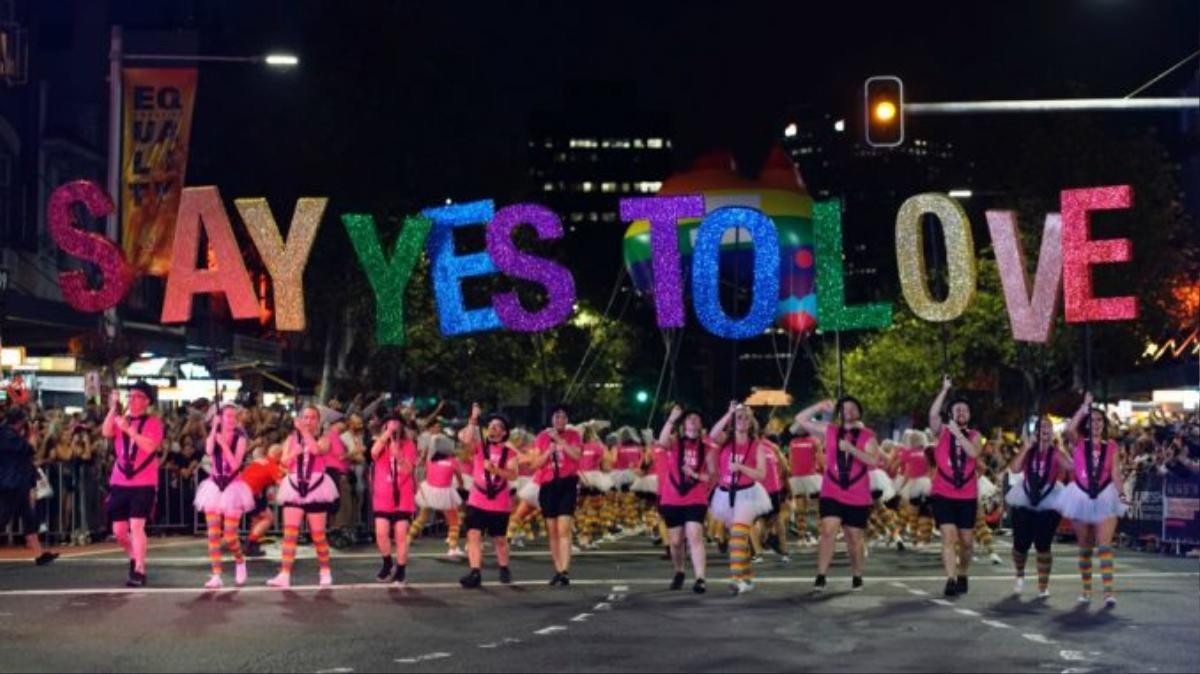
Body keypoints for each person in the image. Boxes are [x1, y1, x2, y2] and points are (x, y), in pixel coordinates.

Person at [794, 396, 882, 591]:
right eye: (844, 408)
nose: (848, 411)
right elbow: (800, 419)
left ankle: (857, 574)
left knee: (854, 537)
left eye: (852, 408)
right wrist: (819, 405)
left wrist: (851, 448)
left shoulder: (867, 435)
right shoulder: (830, 430)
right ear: (839, 413)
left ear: (859, 412)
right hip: (832, 489)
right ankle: (821, 575)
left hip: (857, 492)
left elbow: (873, 461)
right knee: (827, 531)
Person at [1057, 393, 1128, 608]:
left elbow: (1115, 471)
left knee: (1104, 546)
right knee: (1085, 547)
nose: (1096, 424)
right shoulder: (1079, 442)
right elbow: (1069, 429)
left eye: (1099, 420)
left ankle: (1108, 592)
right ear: (1086, 424)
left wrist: (1122, 494)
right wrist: (1084, 407)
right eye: (1092, 420)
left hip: (1105, 495)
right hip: (1080, 495)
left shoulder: (1112, 446)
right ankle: (1086, 589)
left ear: (1104, 424)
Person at [268, 405, 339, 588]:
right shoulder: (291, 439)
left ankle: (324, 571)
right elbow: (283, 461)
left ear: (318, 420)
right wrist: (293, 452)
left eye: (312, 417)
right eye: (305, 417)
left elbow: (316, 450)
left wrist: (304, 434)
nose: (308, 421)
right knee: (290, 534)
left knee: (318, 535)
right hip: (294, 485)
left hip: (316, 487)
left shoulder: (324, 438)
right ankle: (284, 574)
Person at [101, 381, 163, 587]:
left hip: (144, 481)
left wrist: (129, 430)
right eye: (130, 396)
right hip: (120, 480)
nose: (132, 399)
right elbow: (106, 432)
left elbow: (149, 446)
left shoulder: (153, 422)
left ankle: (140, 570)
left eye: (137, 396)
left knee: (137, 525)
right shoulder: (121, 420)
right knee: (119, 531)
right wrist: (113, 407)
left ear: (147, 401)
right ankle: (134, 556)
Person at [707, 402, 772, 595]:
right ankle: (747, 577)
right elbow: (711, 434)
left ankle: (736, 580)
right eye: (739, 417)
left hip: (748, 493)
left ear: (752, 422)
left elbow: (761, 474)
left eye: (746, 417)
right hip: (725, 493)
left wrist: (741, 468)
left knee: (737, 536)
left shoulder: (757, 445)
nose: (743, 420)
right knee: (739, 540)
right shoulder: (725, 440)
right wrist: (728, 413)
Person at [928, 377, 984, 598]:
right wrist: (944, 390)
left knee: (967, 543)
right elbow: (933, 414)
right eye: (957, 409)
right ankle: (950, 579)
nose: (961, 412)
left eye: (965, 410)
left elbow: (973, 453)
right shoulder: (941, 431)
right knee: (948, 537)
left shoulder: (974, 435)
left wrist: (958, 433)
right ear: (950, 414)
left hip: (967, 494)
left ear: (969, 416)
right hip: (943, 491)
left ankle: (962, 572)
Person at [458, 404, 519, 589]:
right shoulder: (479, 446)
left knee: (499, 539)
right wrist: (473, 419)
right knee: (473, 534)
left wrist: (496, 470)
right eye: (491, 425)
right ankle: (475, 572)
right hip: (477, 498)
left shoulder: (510, 452)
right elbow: (466, 440)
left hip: (499, 501)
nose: (493, 428)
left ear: (504, 432)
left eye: (497, 426)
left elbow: (513, 475)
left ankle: (504, 567)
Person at [1005, 415, 1066, 598]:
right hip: (1025, 495)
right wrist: (1026, 447)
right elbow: (1014, 468)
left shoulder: (1056, 452)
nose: (1044, 430)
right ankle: (1019, 575)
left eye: (1048, 427)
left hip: (1049, 497)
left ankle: (1043, 585)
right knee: (1020, 544)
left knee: (1043, 544)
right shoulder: (1029, 450)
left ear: (1052, 431)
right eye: (1040, 427)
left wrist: (1065, 448)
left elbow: (1071, 467)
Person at [655, 405, 711, 593]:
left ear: (701, 424)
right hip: (672, 497)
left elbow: (710, 477)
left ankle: (700, 578)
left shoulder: (707, 447)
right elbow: (662, 442)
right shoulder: (675, 441)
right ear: (683, 424)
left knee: (695, 535)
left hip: (695, 497)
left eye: (696, 418)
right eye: (689, 418)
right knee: (676, 541)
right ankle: (679, 571)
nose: (693, 420)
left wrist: (694, 474)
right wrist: (672, 418)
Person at [194, 404, 251, 589]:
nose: (232, 419)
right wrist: (213, 430)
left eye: (234, 416)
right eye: (228, 416)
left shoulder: (240, 438)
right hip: (213, 486)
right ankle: (216, 574)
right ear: (220, 417)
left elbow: (235, 465)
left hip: (233, 487)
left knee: (230, 536)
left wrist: (224, 444)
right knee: (212, 534)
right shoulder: (215, 433)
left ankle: (240, 560)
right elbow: (209, 451)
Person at [528, 404, 583, 586]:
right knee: (552, 531)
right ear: (551, 419)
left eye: (563, 417)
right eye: (556, 417)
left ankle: (565, 571)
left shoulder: (573, 435)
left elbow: (576, 456)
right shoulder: (542, 437)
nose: (560, 420)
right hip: (548, 485)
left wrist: (560, 441)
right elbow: (534, 464)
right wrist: (548, 452)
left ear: (567, 420)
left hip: (567, 484)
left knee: (564, 529)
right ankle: (558, 569)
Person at [0, 408, 57, 566]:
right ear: (18, 421)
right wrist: (32, 433)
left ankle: (39, 555)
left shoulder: (8, 434)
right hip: (11, 484)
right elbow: (30, 449)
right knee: (3, 517)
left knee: (29, 518)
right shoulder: (8, 436)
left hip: (17, 483)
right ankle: (39, 554)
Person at [370, 416, 417, 584]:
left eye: (396, 424)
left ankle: (401, 568)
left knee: (400, 535)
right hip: (382, 497)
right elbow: (373, 453)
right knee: (381, 533)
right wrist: (387, 434)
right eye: (389, 423)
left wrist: (399, 457)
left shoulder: (409, 445)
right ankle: (387, 562)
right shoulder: (381, 444)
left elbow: (408, 470)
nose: (393, 426)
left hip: (402, 497)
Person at [409, 433, 465, 559]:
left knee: (422, 516)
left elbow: (429, 474)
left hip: (429, 491)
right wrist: (460, 486)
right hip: (444, 493)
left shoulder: (430, 461)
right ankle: (453, 547)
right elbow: (459, 479)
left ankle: (407, 539)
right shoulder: (453, 461)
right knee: (454, 520)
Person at [234, 444, 286, 558]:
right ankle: (250, 543)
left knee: (257, 519)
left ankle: (253, 546)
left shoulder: (260, 460)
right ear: (279, 455)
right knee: (268, 518)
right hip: (250, 492)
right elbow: (281, 482)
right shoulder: (272, 465)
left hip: (241, 490)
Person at [785, 424, 823, 546]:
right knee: (814, 509)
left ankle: (804, 538)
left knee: (804, 510)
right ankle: (814, 536)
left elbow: (790, 462)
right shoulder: (814, 441)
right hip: (809, 478)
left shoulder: (793, 442)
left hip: (800, 479)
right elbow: (821, 460)